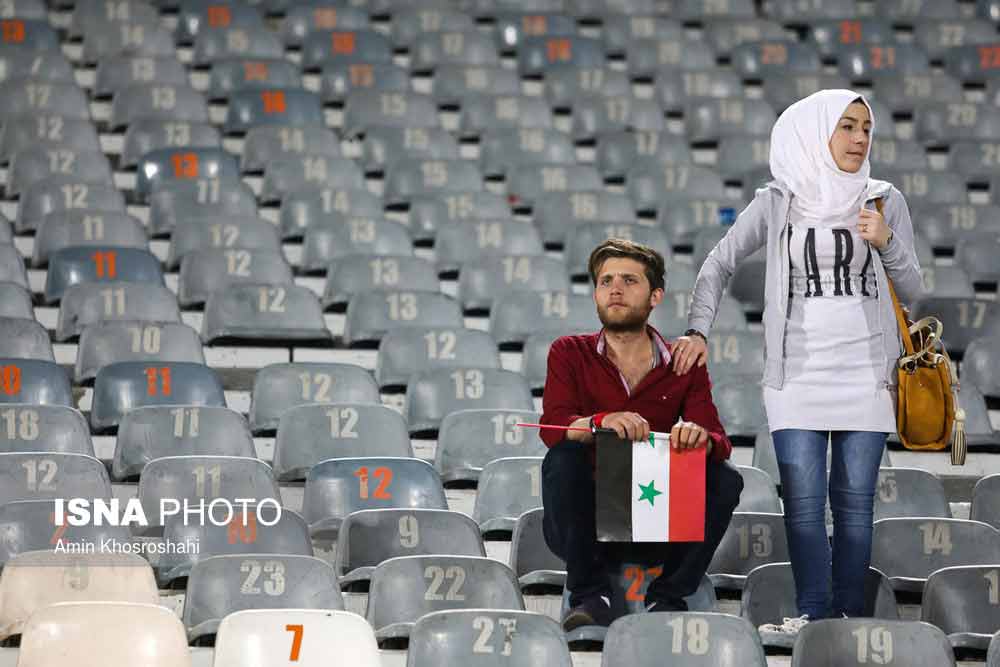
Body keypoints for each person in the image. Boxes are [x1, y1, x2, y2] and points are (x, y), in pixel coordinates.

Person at [673, 90, 923, 635]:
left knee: (855, 506)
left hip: (867, 372)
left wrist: (886, 243)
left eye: (866, 129)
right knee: (805, 503)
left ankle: (851, 620)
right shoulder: (777, 201)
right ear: (815, 132)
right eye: (848, 127)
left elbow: (914, 289)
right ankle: (814, 615)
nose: (860, 139)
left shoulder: (884, 200)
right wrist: (698, 328)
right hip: (796, 374)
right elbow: (717, 264)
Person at [539, 238, 743, 631]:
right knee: (562, 457)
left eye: (629, 280)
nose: (614, 289)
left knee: (726, 476)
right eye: (605, 281)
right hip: (587, 526)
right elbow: (552, 428)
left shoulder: (684, 362)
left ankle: (668, 596)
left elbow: (719, 439)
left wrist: (698, 436)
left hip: (659, 524)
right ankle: (589, 594)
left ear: (655, 296)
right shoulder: (568, 351)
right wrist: (601, 421)